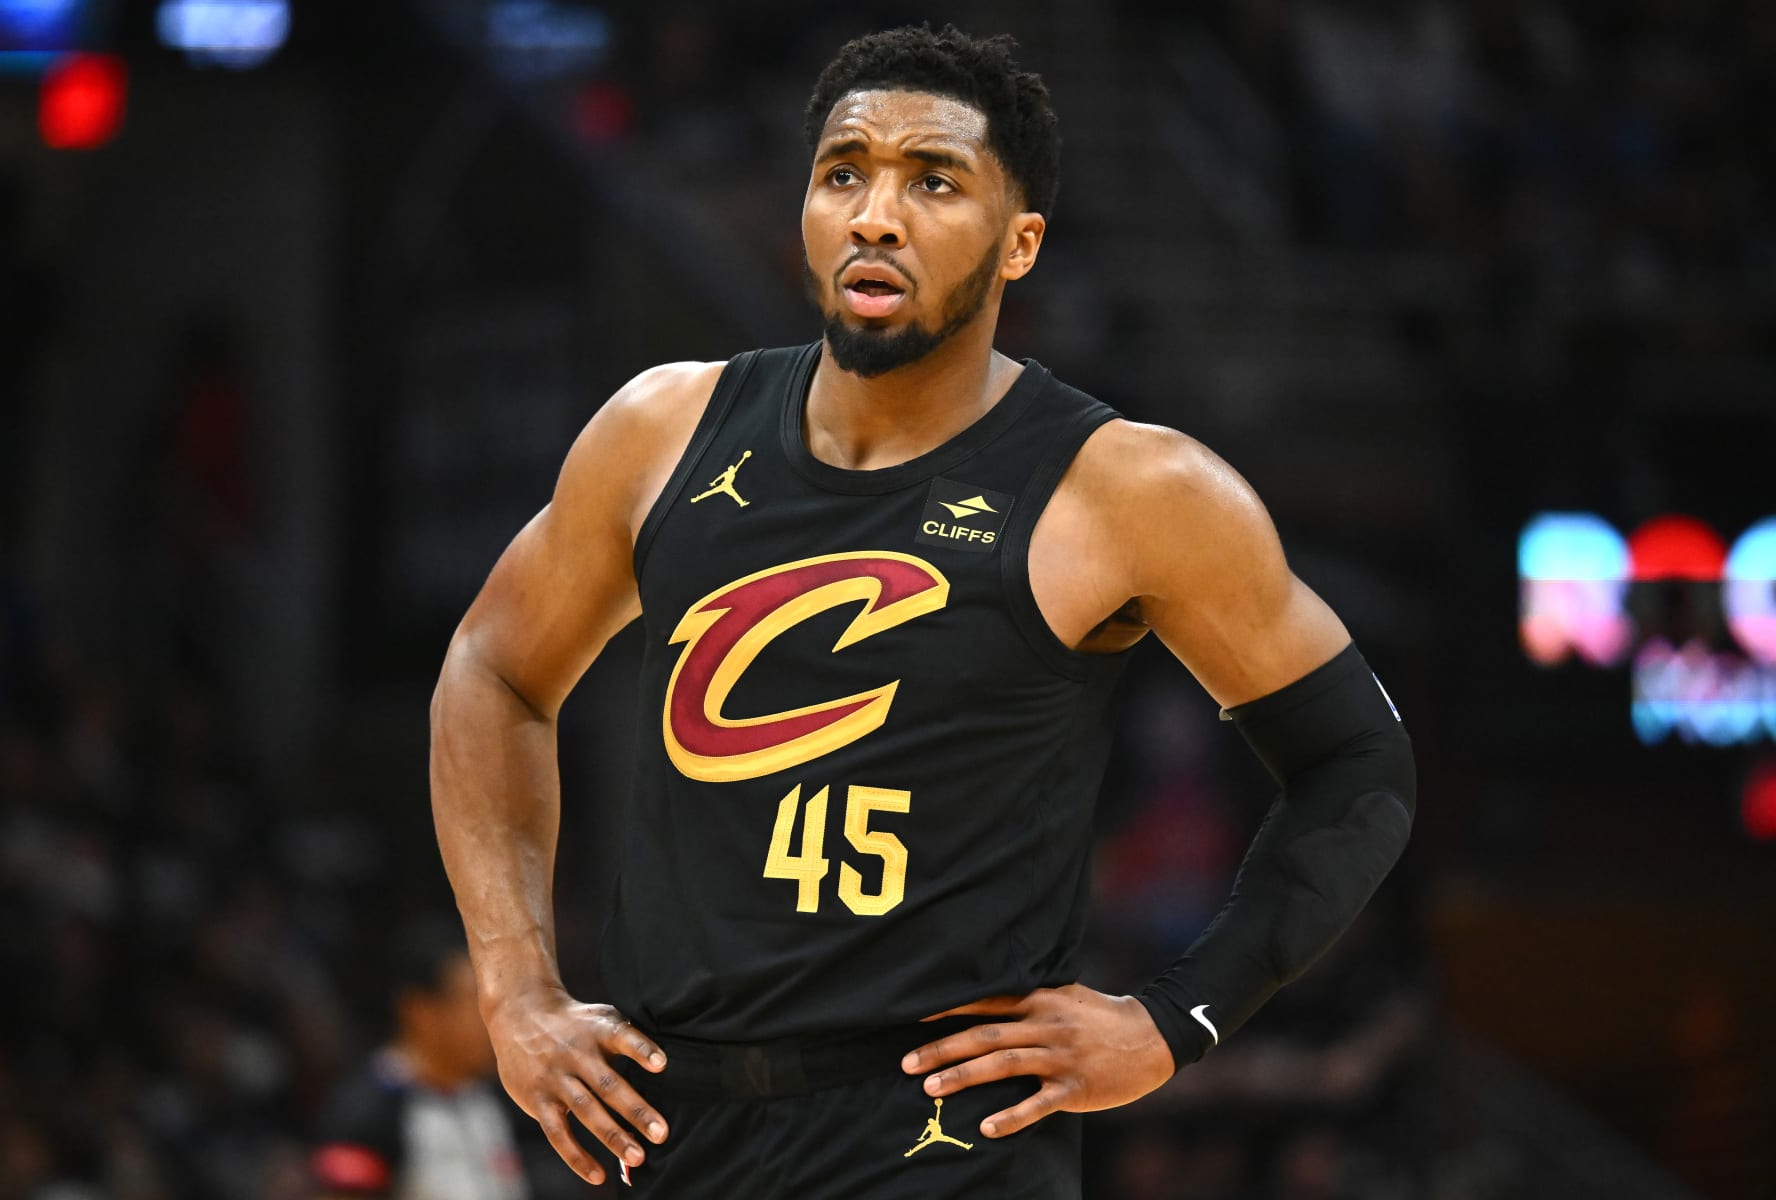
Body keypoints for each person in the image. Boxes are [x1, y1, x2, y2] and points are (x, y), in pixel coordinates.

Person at [429, 24, 1415, 1199]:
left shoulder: (1134, 489)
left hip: (941, 1144)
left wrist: (1173, 1021)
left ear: (1020, 243)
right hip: (671, 1128)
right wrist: (517, 990)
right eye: (843, 174)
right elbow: (492, 667)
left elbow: (1358, 763)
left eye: (933, 182)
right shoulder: (661, 432)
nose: (876, 217)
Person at [311, 921, 533, 1200]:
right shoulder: (365, 1112)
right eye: (473, 1001)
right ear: (419, 1010)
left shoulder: (499, 1099)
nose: (493, 1020)